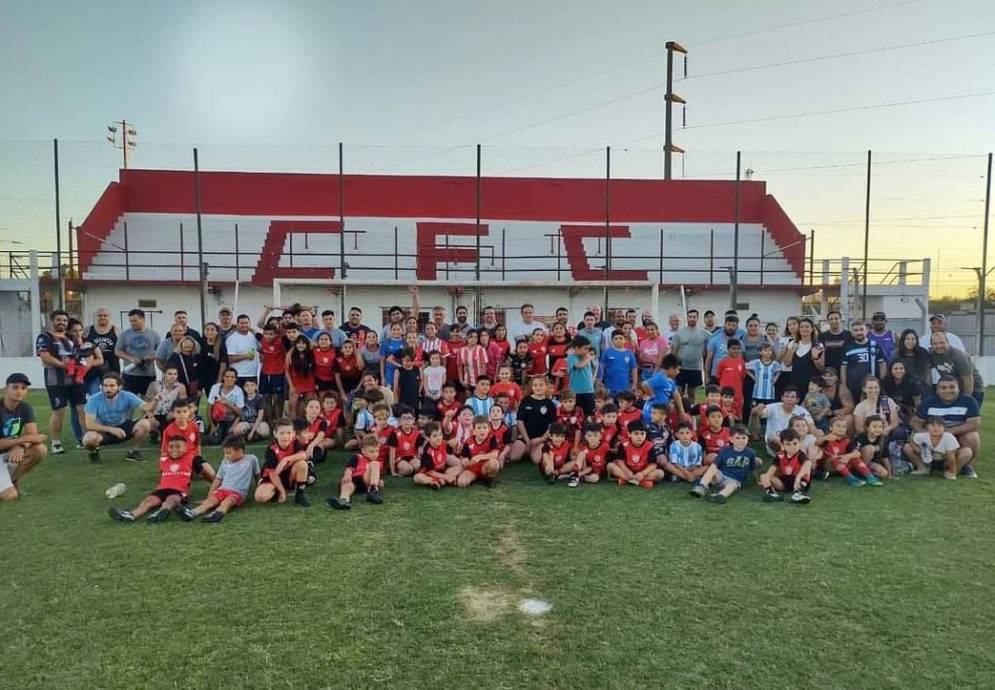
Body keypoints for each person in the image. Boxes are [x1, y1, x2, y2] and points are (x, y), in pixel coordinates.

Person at [107, 435, 195, 523]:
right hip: (162, 489)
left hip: (179, 490)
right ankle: (131, 515)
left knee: (172, 500)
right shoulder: (164, 460)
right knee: (148, 501)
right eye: (171, 447)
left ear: (185, 448)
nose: (174, 449)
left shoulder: (191, 458)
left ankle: (162, 512)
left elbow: (202, 468)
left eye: (178, 446)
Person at [176, 435, 260, 523]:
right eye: (225, 453)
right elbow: (218, 480)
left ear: (240, 451)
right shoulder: (225, 461)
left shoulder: (251, 459)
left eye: (228, 453)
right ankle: (192, 513)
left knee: (228, 501)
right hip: (222, 489)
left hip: (237, 492)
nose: (226, 456)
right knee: (211, 501)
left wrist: (258, 487)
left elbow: (257, 475)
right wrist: (209, 497)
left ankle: (217, 514)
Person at [912, 375, 980, 478]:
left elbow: (974, 424)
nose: (948, 390)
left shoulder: (969, 401)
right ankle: (927, 464)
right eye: (943, 388)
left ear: (958, 388)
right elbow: (916, 422)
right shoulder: (928, 401)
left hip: (957, 436)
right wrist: (925, 435)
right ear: (937, 390)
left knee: (972, 437)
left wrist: (949, 432)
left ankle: (964, 465)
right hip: (933, 435)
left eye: (952, 387)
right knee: (912, 439)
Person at [82, 372, 156, 463]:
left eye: (112, 386)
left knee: (145, 423)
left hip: (122, 426)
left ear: (119, 387)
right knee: (88, 439)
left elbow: (147, 407)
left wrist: (156, 400)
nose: (108, 389)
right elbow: (89, 424)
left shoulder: (127, 396)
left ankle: (134, 452)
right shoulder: (94, 399)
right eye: (105, 386)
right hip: (103, 430)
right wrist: (111, 429)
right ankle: (93, 452)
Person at [0, 373, 47, 501]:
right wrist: (22, 441)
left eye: (23, 388)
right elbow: (31, 437)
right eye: (15, 387)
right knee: (11, 496)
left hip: (7, 454)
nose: (19, 391)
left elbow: (34, 436)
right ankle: (7, 487)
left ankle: (13, 481)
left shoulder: (24, 408)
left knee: (40, 449)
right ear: (6, 389)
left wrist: (20, 446)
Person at [35, 309, 75, 455]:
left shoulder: (70, 337)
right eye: (59, 320)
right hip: (54, 380)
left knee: (81, 408)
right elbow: (45, 357)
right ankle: (56, 443)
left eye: (64, 320)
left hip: (74, 380)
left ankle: (84, 439)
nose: (62, 323)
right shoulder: (44, 337)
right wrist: (63, 365)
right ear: (53, 321)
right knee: (59, 411)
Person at [689, 425, 758, 503]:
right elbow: (715, 465)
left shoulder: (750, 453)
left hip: (734, 480)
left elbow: (753, 469)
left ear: (748, 439)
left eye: (744, 438)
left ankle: (720, 496)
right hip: (721, 475)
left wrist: (756, 481)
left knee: (732, 486)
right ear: (731, 439)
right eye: (737, 438)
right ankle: (702, 486)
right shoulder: (725, 451)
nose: (741, 441)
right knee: (713, 469)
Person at [256, 419, 311, 506]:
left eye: (288, 433)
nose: (285, 436)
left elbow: (304, 455)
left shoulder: (295, 442)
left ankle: (300, 493)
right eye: (282, 433)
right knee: (260, 497)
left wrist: (286, 459)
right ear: (275, 434)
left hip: (288, 475)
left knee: (302, 464)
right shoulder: (271, 449)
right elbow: (272, 473)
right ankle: (279, 490)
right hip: (273, 477)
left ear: (293, 434)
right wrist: (282, 491)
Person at [819, 415, 881, 487]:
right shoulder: (826, 439)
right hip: (829, 467)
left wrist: (847, 456)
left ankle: (870, 478)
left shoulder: (847, 441)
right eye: (838, 426)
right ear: (830, 428)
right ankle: (853, 480)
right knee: (836, 458)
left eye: (844, 427)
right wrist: (824, 438)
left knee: (854, 457)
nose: (841, 428)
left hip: (843, 466)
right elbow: (816, 443)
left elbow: (857, 453)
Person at [509, 376, 557, 463]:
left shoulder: (550, 404)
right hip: (525, 437)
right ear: (532, 387)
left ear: (546, 386)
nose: (538, 387)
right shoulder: (525, 400)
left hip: (540, 439)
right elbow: (520, 421)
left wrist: (541, 439)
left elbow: (552, 425)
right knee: (513, 457)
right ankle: (526, 449)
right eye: (535, 385)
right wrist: (527, 440)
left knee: (536, 460)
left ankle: (534, 450)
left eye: (541, 385)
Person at [328, 435, 384, 509]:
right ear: (363, 451)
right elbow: (349, 468)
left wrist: (379, 482)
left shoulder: (377, 463)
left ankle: (373, 491)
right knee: (346, 484)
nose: (375, 454)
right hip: (354, 480)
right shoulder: (357, 457)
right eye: (371, 451)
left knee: (374, 464)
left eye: (377, 451)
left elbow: (377, 476)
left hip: (366, 481)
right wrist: (347, 475)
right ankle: (343, 500)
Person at [114, 308, 161, 396]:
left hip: (148, 374)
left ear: (143, 319)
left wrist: (151, 356)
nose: (132, 323)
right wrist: (130, 358)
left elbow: (160, 351)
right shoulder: (124, 334)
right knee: (128, 401)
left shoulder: (154, 334)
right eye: (131, 321)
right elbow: (117, 351)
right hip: (130, 374)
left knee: (148, 400)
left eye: (135, 321)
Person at [929, 332, 984, 407]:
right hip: (954, 388)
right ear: (931, 345)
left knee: (968, 414)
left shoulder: (959, 356)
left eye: (942, 343)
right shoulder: (932, 355)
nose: (939, 346)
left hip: (974, 388)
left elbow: (968, 380)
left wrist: (966, 400)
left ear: (948, 342)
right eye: (935, 344)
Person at [759, 427, 812, 504]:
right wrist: (767, 479)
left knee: (806, 470)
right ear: (782, 445)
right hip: (784, 481)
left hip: (800, 480)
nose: (792, 447)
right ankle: (771, 493)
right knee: (764, 476)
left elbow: (808, 464)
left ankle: (799, 493)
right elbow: (772, 469)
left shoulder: (800, 454)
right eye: (788, 444)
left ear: (800, 443)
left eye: (795, 443)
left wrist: (798, 478)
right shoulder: (780, 455)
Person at [609, 420, 663, 488]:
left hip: (643, 472)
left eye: (642, 434)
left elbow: (653, 465)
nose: (639, 437)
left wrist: (642, 474)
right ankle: (638, 482)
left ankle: (628, 480)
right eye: (636, 433)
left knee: (660, 473)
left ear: (646, 434)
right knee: (610, 466)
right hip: (627, 471)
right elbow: (620, 461)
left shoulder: (649, 445)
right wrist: (627, 471)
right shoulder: (624, 444)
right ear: (629, 434)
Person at [762, 386, 815, 455]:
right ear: (782, 398)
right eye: (787, 396)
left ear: (797, 400)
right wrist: (757, 411)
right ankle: (790, 456)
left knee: (812, 437)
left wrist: (819, 435)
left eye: (792, 397)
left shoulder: (802, 411)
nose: (789, 399)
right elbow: (758, 414)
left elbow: (811, 426)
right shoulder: (772, 407)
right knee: (774, 439)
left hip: (796, 440)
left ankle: (799, 456)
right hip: (779, 443)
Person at [841, 320, 886, 402]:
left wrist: (882, 383)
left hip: (872, 388)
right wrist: (844, 386)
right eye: (856, 330)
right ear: (852, 332)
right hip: (853, 388)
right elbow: (843, 368)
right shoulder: (848, 348)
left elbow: (882, 364)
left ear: (866, 330)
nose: (859, 332)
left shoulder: (875, 345)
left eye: (861, 329)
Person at [670, 308, 709, 400]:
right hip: (681, 368)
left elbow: (714, 343)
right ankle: (678, 412)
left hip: (696, 368)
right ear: (687, 318)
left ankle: (698, 413)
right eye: (690, 317)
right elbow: (673, 351)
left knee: (698, 396)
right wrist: (673, 367)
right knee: (677, 393)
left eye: (694, 317)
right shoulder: (679, 334)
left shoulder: (704, 333)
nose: (691, 319)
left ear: (697, 318)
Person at [704, 314, 745, 381]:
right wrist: (707, 376)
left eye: (733, 325)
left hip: (733, 375)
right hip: (716, 375)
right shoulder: (715, 339)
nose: (730, 328)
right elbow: (708, 359)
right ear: (724, 325)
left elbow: (741, 359)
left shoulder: (739, 343)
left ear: (737, 327)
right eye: (728, 325)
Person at [207, 369, 244, 441]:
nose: (229, 379)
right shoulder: (215, 388)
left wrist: (228, 403)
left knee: (229, 440)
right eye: (227, 376)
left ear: (235, 379)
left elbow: (241, 413)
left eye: (232, 377)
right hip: (218, 420)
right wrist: (212, 425)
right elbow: (208, 409)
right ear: (223, 377)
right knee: (214, 440)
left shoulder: (238, 391)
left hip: (231, 420)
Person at [599, 330, 638, 396]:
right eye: (616, 339)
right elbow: (601, 367)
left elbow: (634, 369)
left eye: (620, 338)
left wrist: (634, 383)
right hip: (609, 385)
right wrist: (599, 380)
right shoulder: (607, 352)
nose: (618, 340)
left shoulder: (629, 353)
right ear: (612, 340)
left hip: (624, 385)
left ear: (624, 340)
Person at [715, 339, 747, 418]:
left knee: (737, 413)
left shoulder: (742, 362)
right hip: (725, 393)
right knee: (724, 413)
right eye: (733, 349)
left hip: (737, 393)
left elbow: (743, 376)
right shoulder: (723, 362)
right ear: (728, 349)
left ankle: (737, 427)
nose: (736, 351)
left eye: (738, 349)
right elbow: (718, 377)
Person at [224, 314, 259, 388]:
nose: (244, 325)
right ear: (237, 324)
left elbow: (261, 349)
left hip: (253, 375)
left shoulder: (254, 336)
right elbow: (229, 358)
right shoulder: (232, 338)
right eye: (242, 323)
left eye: (246, 323)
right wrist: (246, 356)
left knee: (251, 398)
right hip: (238, 375)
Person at [853, 415, 891, 479]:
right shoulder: (861, 437)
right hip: (858, 462)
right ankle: (860, 472)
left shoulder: (883, 439)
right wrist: (873, 448)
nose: (878, 429)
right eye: (874, 427)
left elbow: (885, 458)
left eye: (880, 427)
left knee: (884, 474)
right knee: (870, 448)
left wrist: (890, 474)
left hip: (871, 463)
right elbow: (854, 451)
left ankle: (865, 474)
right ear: (867, 427)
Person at [566, 336, 597, 415]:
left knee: (591, 414)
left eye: (588, 348)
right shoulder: (571, 357)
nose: (587, 351)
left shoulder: (586, 357)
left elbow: (594, 368)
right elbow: (579, 365)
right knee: (578, 415)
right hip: (577, 392)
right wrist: (588, 358)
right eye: (585, 348)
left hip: (589, 390)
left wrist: (593, 379)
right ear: (576, 348)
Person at [86, 307, 119, 373]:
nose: (102, 317)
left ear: (109, 316)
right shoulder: (88, 330)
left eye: (105, 315)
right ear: (96, 317)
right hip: (93, 369)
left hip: (113, 368)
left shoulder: (116, 330)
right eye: (100, 315)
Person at [199, 322, 228, 396]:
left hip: (215, 377)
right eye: (207, 330)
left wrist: (219, 379)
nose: (209, 332)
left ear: (216, 332)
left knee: (215, 398)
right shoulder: (201, 342)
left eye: (212, 330)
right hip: (203, 376)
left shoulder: (220, 345)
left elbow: (223, 363)